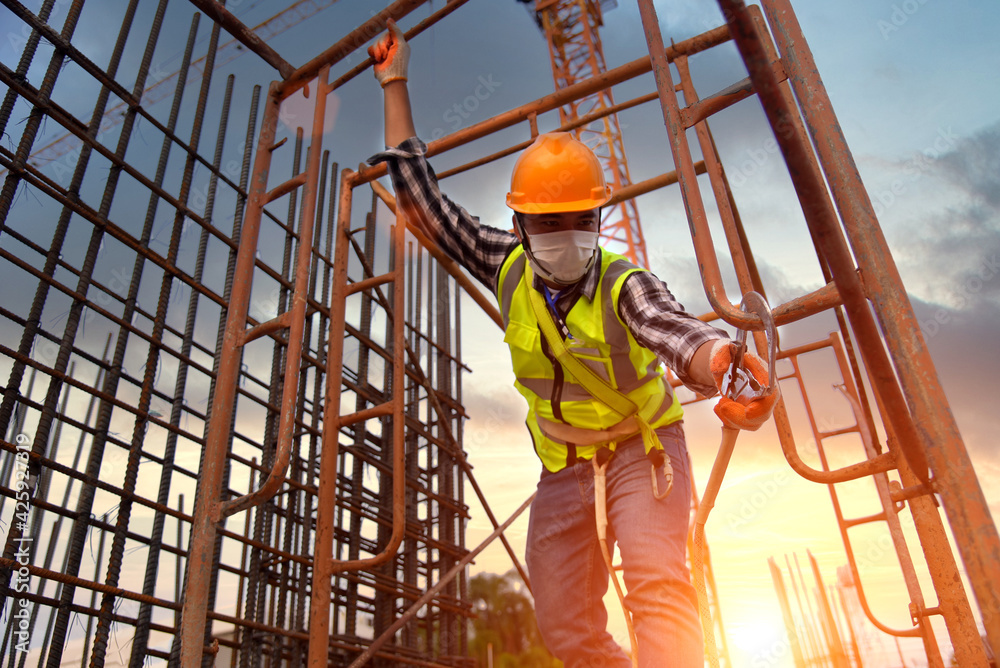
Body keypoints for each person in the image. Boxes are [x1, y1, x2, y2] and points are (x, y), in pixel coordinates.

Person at [367, 21, 777, 668]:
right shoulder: (503, 260)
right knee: (564, 629)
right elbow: (421, 203)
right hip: (564, 467)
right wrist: (395, 81)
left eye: (579, 222)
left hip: (643, 451)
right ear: (520, 224)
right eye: (547, 224)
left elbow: (677, 333)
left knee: (658, 590)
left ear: (599, 218)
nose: (565, 236)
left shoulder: (623, 282)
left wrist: (726, 365)